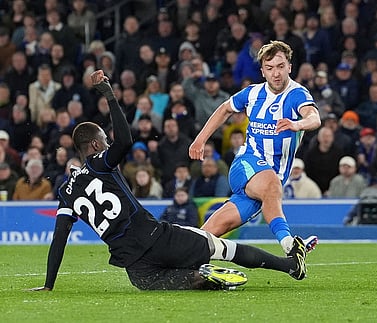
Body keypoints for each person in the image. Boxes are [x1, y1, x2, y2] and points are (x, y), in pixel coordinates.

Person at [30, 70, 307, 292]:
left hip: (136, 270)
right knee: (220, 247)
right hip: (157, 238)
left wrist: (48, 284)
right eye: (104, 139)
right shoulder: (100, 162)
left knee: (168, 281)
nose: (107, 143)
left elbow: (59, 240)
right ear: (95, 144)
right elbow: (125, 140)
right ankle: (289, 266)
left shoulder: (66, 191)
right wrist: (110, 96)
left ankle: (195, 277)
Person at [189, 41, 321, 254]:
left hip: (268, 181)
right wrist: (200, 140)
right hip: (246, 163)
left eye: (280, 66)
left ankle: (181, 260)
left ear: (289, 67)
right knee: (271, 185)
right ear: (262, 71)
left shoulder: (298, 94)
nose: (275, 73)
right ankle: (290, 245)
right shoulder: (251, 93)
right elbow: (225, 109)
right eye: (269, 68)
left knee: (210, 233)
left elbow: (314, 117)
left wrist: (298, 124)